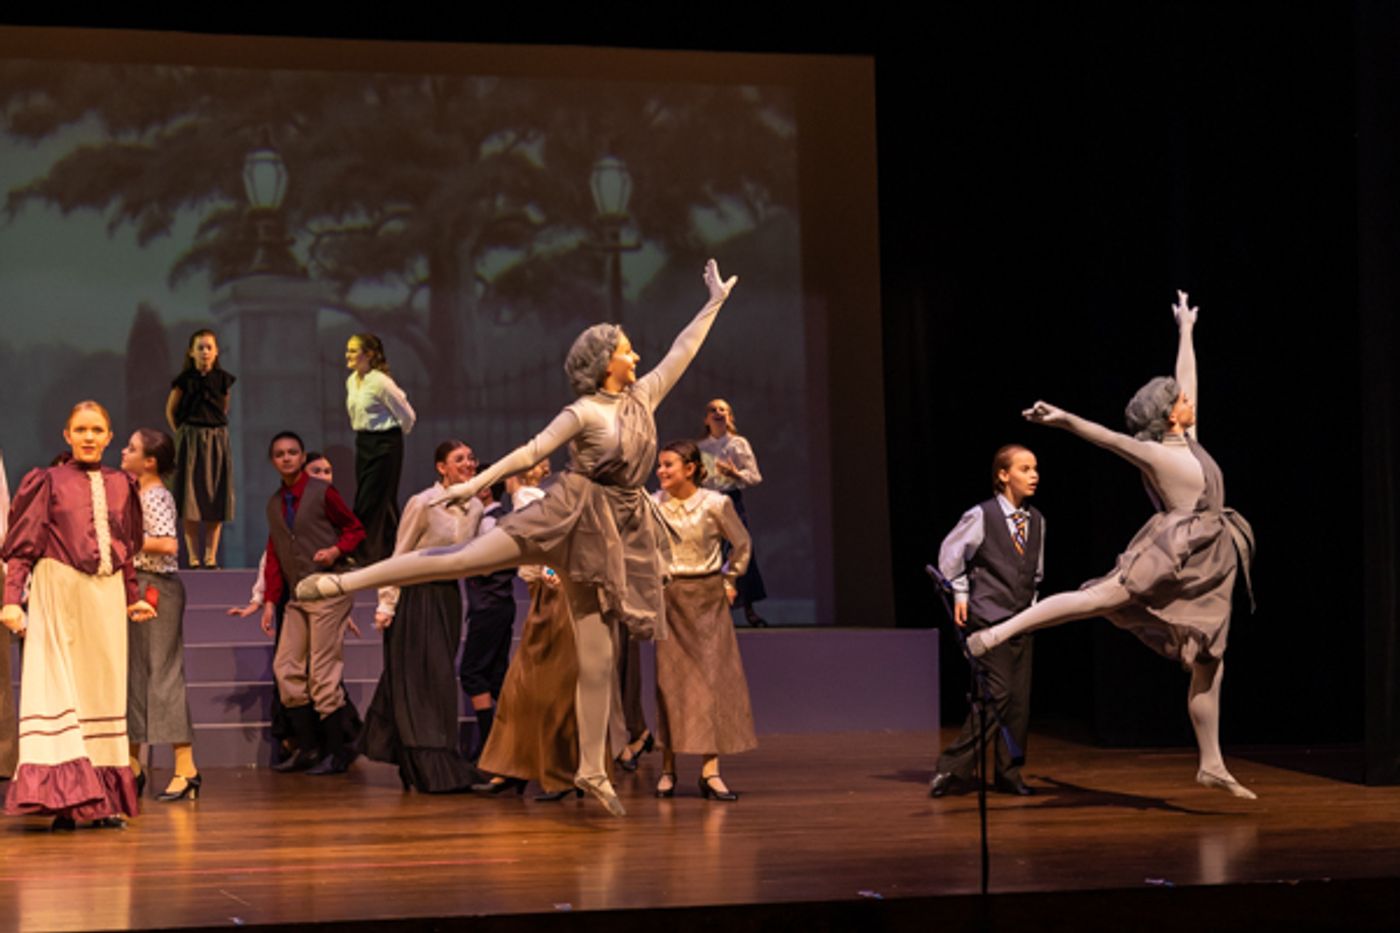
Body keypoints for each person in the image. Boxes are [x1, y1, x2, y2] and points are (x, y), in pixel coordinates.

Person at [297, 259, 739, 816]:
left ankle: (592, 770)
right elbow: (530, 452)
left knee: (598, 655)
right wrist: (474, 486)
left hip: (612, 532)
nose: (636, 356)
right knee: (455, 559)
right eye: (626, 350)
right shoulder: (585, 412)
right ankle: (345, 581)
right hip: (568, 513)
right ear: (605, 363)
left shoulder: (642, 397)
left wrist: (713, 303)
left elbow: (683, 351)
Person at [966, 291, 1257, 798]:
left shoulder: (1188, 439)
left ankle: (1211, 762)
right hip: (1174, 550)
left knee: (1211, 657)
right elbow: (1107, 438)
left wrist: (1186, 330)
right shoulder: (1156, 454)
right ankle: (994, 635)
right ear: (1168, 415)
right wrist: (1063, 420)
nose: (1190, 402)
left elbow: (1188, 379)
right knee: (1095, 600)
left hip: (1210, 558)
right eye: (1182, 403)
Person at [1, 401, 155, 829]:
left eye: (97, 430)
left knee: (102, 693)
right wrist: (12, 598)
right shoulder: (46, 481)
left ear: (109, 436)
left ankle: (99, 802)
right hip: (59, 591)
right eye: (81, 430)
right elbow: (22, 548)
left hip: (103, 599)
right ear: (67, 435)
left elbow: (124, 548)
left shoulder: (122, 483)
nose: (89, 437)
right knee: (61, 692)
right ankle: (65, 802)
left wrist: (131, 596)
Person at [361, 440, 483, 792]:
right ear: (441, 468)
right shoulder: (423, 503)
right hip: (416, 596)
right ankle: (428, 767)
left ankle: (426, 762)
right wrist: (387, 603)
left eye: (470, 458)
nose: (468, 463)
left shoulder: (474, 507)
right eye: (459, 459)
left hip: (447, 598)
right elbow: (400, 554)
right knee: (419, 679)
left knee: (439, 680)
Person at [928, 444, 1043, 798]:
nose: (1034, 475)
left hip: (1023, 619)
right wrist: (960, 593)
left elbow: (1035, 572)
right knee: (999, 694)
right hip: (989, 620)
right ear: (1003, 475)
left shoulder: (1037, 520)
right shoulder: (982, 515)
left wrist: (1033, 610)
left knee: (1019, 702)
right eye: (1024, 469)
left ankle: (1008, 774)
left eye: (1035, 468)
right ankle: (951, 769)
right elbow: (951, 555)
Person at [473, 459, 585, 801]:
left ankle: (561, 773)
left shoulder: (528, 497)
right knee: (520, 686)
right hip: (542, 596)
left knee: (551, 688)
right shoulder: (537, 497)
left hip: (556, 597)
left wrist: (556, 566)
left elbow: (562, 537)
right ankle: (514, 766)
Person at [652, 440, 756, 801]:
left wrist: (730, 580)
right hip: (671, 597)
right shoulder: (652, 505)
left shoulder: (715, 503)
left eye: (668, 465)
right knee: (671, 683)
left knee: (710, 683)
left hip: (708, 597)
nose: (661, 471)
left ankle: (710, 770)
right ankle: (667, 768)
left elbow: (741, 543)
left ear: (691, 468)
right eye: (660, 466)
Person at [259, 432, 366, 776]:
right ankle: (308, 747)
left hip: (328, 589)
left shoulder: (321, 492)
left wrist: (335, 550)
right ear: (273, 460)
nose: (287, 458)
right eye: (280, 454)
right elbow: (275, 553)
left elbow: (354, 529)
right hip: (299, 594)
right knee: (286, 669)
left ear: (302, 457)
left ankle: (337, 752)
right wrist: (269, 602)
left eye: (293, 453)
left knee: (322, 674)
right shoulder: (276, 503)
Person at [120, 428, 200, 802]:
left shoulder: (155, 495)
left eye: (132, 448)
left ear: (150, 461)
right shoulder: (137, 494)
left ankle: (186, 767)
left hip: (156, 588)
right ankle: (132, 765)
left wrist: (120, 539)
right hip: (137, 585)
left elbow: (167, 543)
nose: (124, 451)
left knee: (162, 676)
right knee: (135, 676)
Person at [458, 464, 518, 761]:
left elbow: (488, 563)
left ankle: (488, 743)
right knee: (495, 675)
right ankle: (509, 743)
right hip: (498, 605)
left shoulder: (488, 522)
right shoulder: (494, 519)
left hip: (489, 605)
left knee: (472, 672)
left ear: (484, 489)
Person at [166, 329, 236, 569]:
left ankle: (211, 556)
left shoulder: (224, 380)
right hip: (190, 440)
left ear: (216, 351)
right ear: (191, 352)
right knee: (190, 497)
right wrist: (183, 435)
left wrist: (212, 432)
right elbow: (171, 410)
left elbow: (224, 408)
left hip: (216, 439)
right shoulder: (184, 380)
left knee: (216, 497)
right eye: (200, 347)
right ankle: (194, 557)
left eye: (209, 347)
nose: (205, 352)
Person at [345, 334, 416, 563]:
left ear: (370, 354)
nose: (348, 355)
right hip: (363, 442)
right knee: (381, 500)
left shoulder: (380, 381)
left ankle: (362, 552)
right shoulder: (351, 380)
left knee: (370, 499)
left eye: (354, 350)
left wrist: (391, 438)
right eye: (348, 350)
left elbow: (408, 415)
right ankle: (391, 550)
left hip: (384, 444)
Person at [698, 398, 769, 626]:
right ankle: (712, 611)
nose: (718, 413)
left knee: (742, 553)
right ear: (706, 419)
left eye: (723, 409)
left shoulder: (738, 444)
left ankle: (748, 608)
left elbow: (755, 476)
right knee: (710, 555)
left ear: (730, 417)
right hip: (708, 502)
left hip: (731, 501)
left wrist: (735, 474)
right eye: (713, 410)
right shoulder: (700, 448)